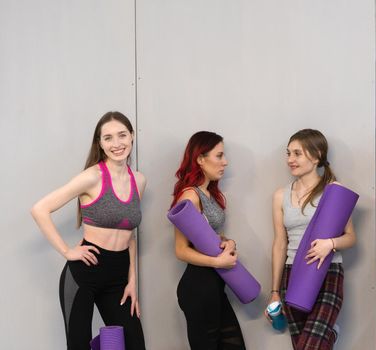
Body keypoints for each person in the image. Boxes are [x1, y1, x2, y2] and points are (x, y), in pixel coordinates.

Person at [31, 111, 146, 350]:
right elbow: (40, 209)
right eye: (108, 138)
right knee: (78, 346)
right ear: (100, 144)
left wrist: (132, 279)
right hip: (85, 272)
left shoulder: (139, 180)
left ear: (132, 136)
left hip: (119, 276)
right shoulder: (92, 177)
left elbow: (130, 233)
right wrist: (67, 251)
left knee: (135, 344)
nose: (117, 144)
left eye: (122, 135)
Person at [266, 129, 357, 350]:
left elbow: (351, 237)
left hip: (327, 272)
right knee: (301, 345)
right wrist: (275, 292)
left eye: (297, 153)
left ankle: (328, 335)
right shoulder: (280, 195)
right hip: (293, 274)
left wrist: (331, 244)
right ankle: (330, 337)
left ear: (316, 155)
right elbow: (280, 244)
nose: (290, 160)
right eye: (288, 153)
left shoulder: (333, 191)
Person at [171, 131, 246, 350]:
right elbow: (181, 249)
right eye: (219, 156)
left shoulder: (209, 193)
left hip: (214, 285)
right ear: (200, 159)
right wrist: (217, 262)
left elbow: (207, 236)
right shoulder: (189, 196)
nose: (225, 162)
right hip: (198, 287)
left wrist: (228, 242)